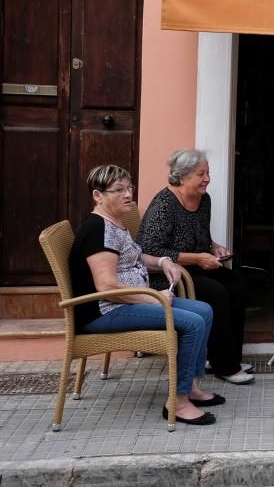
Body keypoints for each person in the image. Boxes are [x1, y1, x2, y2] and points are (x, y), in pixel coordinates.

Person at [70, 165, 219, 425]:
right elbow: (106, 287)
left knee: (204, 311)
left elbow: (134, 258)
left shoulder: (114, 221)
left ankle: (191, 386)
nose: (128, 194)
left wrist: (163, 262)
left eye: (129, 188)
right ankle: (178, 401)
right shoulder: (97, 229)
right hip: (104, 311)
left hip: (126, 303)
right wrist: (152, 297)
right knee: (193, 323)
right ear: (97, 195)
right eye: (119, 190)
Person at [138, 149, 253, 385]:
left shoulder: (203, 200)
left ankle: (228, 357)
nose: (207, 179)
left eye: (208, 173)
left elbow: (202, 236)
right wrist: (196, 259)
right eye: (201, 174)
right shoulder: (164, 205)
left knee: (238, 284)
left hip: (195, 267)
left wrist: (214, 247)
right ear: (181, 177)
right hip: (169, 275)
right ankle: (225, 366)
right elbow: (149, 250)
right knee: (216, 293)